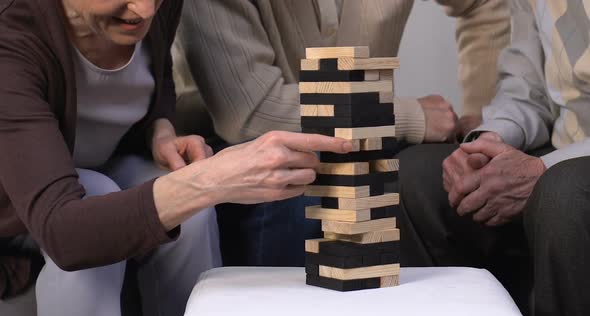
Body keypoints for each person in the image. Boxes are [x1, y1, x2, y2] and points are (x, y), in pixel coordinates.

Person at [0, 0, 353, 316]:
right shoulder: (10, 38)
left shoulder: (157, 8)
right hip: (25, 204)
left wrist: (161, 129)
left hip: (106, 163)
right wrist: (211, 180)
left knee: (192, 213)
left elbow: (158, 76)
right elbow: (66, 233)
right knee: (98, 202)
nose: (145, 9)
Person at [175, 0, 511, 266]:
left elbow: (483, 5)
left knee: (432, 178)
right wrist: (406, 115)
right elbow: (250, 112)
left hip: (363, 137)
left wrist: (484, 122)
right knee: (302, 182)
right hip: (233, 144)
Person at [399, 0, 590, 316]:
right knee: (412, 177)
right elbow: (526, 86)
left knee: (564, 194)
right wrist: (487, 141)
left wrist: (543, 170)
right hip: (562, 152)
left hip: (569, 174)